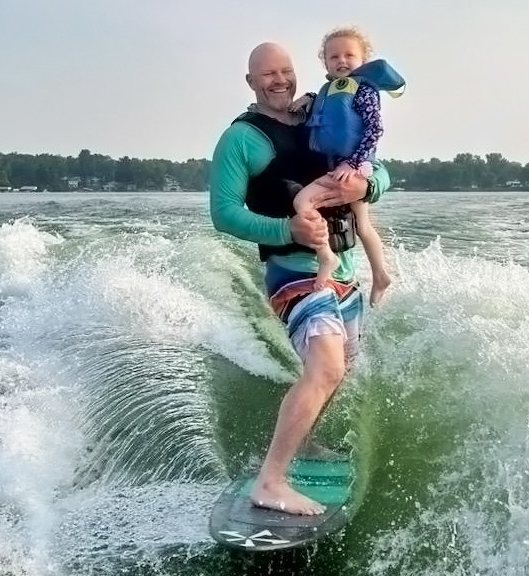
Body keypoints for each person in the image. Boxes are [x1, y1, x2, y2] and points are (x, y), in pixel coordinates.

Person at [210, 42, 390, 515]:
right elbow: (223, 214)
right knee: (326, 366)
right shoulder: (241, 139)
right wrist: (284, 227)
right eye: (267, 74)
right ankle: (270, 481)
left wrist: (367, 184)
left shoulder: (322, 109)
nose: (279, 80)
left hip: (345, 269)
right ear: (251, 82)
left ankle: (303, 443)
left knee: (339, 370)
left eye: (285, 71)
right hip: (294, 273)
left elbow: (378, 167)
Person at [288, 26, 405, 306]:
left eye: (349, 55)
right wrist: (309, 99)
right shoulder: (329, 91)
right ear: (325, 62)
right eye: (334, 56)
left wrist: (353, 164)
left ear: (363, 60)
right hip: (340, 166)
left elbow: (374, 129)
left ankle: (326, 255)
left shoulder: (364, 90)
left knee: (303, 201)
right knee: (364, 226)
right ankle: (380, 275)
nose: (341, 61)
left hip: (351, 168)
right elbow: (329, 112)